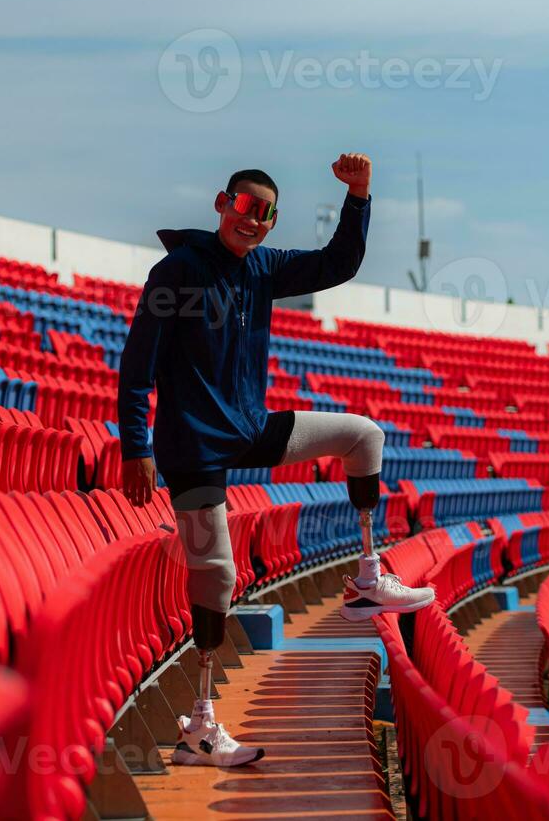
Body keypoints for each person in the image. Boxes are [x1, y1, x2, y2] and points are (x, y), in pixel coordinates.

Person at [117, 153, 435, 768]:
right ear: (221, 204)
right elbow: (137, 366)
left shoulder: (264, 268)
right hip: (192, 448)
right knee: (218, 578)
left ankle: (368, 579)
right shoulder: (176, 271)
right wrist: (137, 447)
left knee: (364, 435)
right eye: (243, 206)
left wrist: (360, 195)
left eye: (264, 213)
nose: (252, 220)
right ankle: (201, 728)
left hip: (250, 430)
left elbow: (338, 263)